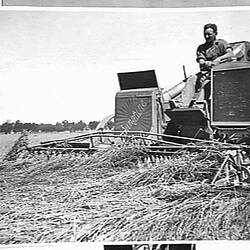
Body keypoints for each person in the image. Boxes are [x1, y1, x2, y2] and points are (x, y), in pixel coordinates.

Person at [174, 23, 233, 108]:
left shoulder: (221, 43)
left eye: (209, 34)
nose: (207, 36)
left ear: (215, 33)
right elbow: (201, 60)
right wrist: (206, 62)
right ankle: (183, 103)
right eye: (205, 34)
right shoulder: (201, 47)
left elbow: (230, 53)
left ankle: (199, 105)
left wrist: (219, 59)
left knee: (206, 83)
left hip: (219, 73)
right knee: (192, 79)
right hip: (206, 72)